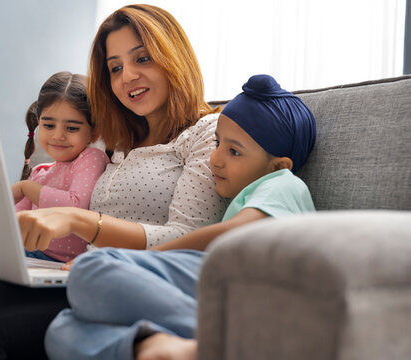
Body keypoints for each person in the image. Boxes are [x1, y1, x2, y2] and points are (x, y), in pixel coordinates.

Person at [0, 5, 227, 359]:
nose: (128, 76)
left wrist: (78, 220)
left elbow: (189, 236)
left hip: (132, 285)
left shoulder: (210, 132)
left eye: (143, 59)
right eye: (116, 68)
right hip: (77, 275)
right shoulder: (119, 143)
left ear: (173, 56)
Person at [45, 74, 317, 360]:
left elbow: (234, 234)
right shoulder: (244, 194)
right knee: (61, 328)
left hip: (246, 288)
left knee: (92, 269)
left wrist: (147, 258)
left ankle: (229, 342)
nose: (215, 158)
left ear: (278, 165)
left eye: (234, 151)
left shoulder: (283, 183)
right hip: (217, 290)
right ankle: (157, 348)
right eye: (217, 143)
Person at [12, 72, 109, 262]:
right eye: (49, 125)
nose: (58, 136)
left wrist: (26, 187)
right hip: (28, 256)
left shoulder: (91, 158)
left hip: (56, 261)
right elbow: (16, 220)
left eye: (72, 128)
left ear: (95, 133)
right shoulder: (40, 172)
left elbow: (76, 205)